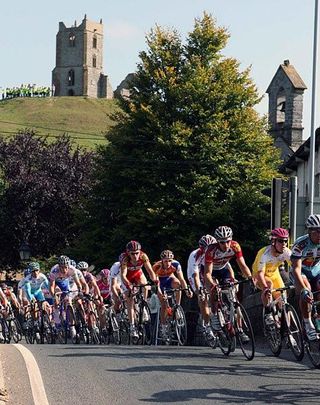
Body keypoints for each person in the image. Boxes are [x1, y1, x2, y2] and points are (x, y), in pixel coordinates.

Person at [205, 225, 252, 342]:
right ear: (217, 242)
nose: (225, 245)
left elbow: (242, 265)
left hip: (224, 269)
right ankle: (215, 315)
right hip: (211, 272)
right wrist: (213, 284)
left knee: (234, 298)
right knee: (214, 289)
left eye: (227, 241)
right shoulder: (211, 250)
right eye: (222, 242)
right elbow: (207, 274)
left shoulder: (235, 246)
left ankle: (240, 330)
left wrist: (250, 277)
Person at [252, 228, 291, 326]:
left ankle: (287, 329)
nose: (284, 244)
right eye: (281, 241)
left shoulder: (286, 251)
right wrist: (265, 288)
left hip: (274, 274)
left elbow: (295, 267)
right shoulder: (264, 254)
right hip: (259, 275)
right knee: (268, 285)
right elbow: (260, 273)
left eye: (286, 240)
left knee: (283, 299)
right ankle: (268, 312)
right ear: (273, 242)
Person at [120, 240, 159, 339]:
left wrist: (155, 280)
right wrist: (129, 285)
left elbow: (150, 271)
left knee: (145, 285)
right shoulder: (124, 259)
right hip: (127, 277)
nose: (135, 256)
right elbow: (123, 275)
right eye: (132, 254)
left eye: (137, 253)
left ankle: (144, 305)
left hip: (137, 273)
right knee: (130, 300)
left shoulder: (143, 256)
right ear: (128, 253)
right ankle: (132, 325)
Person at [291, 214, 320, 341]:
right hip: (301, 272)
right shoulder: (300, 244)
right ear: (310, 231)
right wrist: (302, 289)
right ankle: (308, 325)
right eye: (318, 232)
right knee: (306, 290)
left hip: (316, 270)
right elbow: (296, 268)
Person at [153, 249, 192, 340]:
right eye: (165, 261)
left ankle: (177, 306)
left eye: (170, 261)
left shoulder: (176, 264)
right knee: (163, 303)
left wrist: (186, 290)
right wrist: (160, 293)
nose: (168, 263)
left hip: (170, 280)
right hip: (160, 283)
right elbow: (156, 283)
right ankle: (163, 326)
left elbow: (182, 279)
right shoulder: (156, 266)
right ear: (162, 260)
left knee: (178, 283)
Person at [187, 234, 217, 341]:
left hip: (207, 270)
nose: (208, 250)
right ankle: (208, 326)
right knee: (202, 297)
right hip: (195, 273)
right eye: (205, 248)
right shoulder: (195, 255)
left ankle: (217, 311)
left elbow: (225, 265)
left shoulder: (216, 251)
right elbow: (195, 275)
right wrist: (199, 289)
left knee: (216, 287)